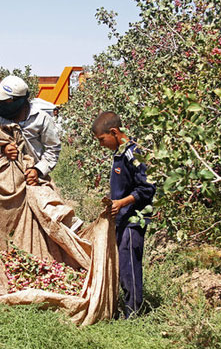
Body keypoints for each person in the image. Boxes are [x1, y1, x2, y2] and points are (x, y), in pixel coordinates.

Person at [92, 111, 156, 318]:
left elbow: (147, 188)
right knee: (122, 265)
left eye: (102, 139)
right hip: (122, 219)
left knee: (129, 267)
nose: (101, 144)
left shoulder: (134, 153)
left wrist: (122, 203)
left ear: (114, 132)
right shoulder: (120, 153)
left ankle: (134, 315)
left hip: (133, 220)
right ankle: (126, 308)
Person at [0, 75, 61, 185]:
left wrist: (38, 170)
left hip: (29, 176)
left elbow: (53, 149)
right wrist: (1, 149)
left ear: (19, 101)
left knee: (47, 200)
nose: (0, 102)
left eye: (5, 100)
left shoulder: (41, 118)